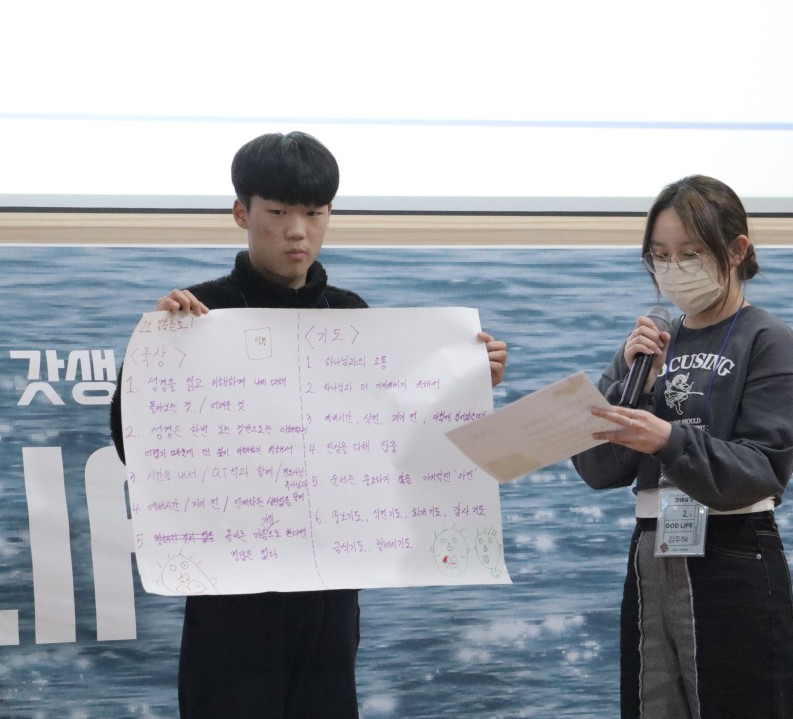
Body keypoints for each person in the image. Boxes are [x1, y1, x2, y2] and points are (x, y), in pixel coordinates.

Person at [109, 131, 508, 718]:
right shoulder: (196, 314)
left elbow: (400, 447)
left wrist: (467, 389)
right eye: (278, 213)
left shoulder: (352, 316)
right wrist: (160, 360)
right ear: (241, 212)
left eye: (314, 213)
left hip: (331, 588)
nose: (297, 231)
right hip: (231, 590)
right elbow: (135, 447)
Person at [571, 175, 793, 718]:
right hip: (651, 549)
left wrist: (667, 438)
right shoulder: (644, 348)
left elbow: (764, 467)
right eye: (659, 255)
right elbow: (595, 467)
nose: (672, 267)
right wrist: (634, 386)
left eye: (690, 253)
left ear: (736, 250)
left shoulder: (767, 339)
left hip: (733, 548)